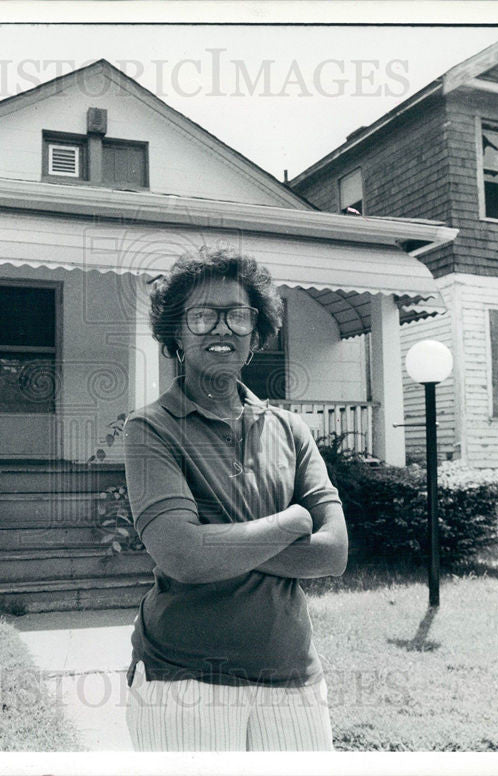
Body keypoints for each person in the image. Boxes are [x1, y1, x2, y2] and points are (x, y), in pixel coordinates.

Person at [123, 246, 348, 751]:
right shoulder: (151, 429)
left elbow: (333, 553)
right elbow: (182, 556)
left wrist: (218, 544)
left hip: (293, 675)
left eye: (237, 315)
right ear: (176, 334)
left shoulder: (290, 430)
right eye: (201, 316)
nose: (220, 328)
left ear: (256, 332)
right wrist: (292, 521)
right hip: (184, 682)